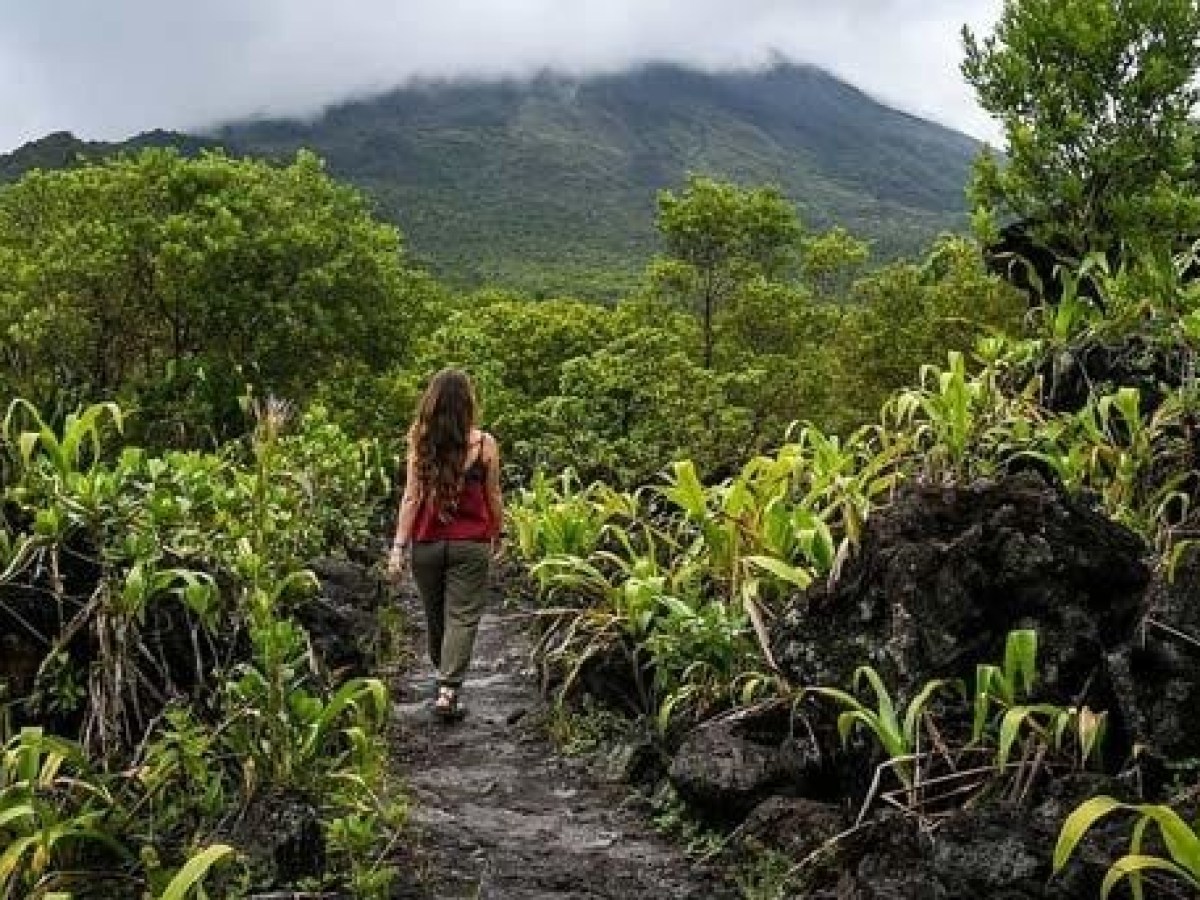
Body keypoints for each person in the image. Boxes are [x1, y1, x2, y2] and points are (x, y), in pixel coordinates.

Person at [387, 368, 503, 720]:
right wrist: (499, 533)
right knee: (462, 617)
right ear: (468, 403)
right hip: (471, 544)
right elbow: (493, 495)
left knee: (436, 615)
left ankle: (445, 682)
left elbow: (411, 497)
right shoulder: (485, 445)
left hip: (427, 544)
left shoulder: (420, 441)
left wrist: (398, 547)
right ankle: (448, 689)